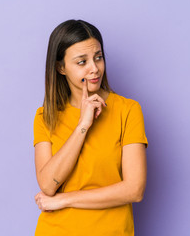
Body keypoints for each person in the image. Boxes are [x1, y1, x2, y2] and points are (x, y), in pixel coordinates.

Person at [33, 19, 148, 236]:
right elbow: (48, 186)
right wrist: (83, 125)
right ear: (60, 68)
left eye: (98, 57)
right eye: (81, 62)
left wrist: (65, 199)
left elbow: (134, 190)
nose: (94, 68)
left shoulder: (128, 110)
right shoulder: (45, 116)